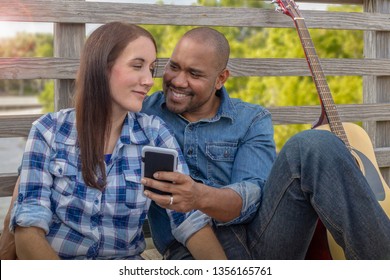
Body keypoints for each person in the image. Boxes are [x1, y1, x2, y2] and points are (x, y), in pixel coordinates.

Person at [140, 27, 390, 260]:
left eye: (194, 74)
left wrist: (199, 196)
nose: (178, 81)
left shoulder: (251, 118)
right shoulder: (142, 113)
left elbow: (253, 195)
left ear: (220, 79)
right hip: (188, 250)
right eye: (174, 67)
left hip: (261, 239)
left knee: (315, 144)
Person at [0, 22, 226, 260]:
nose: (149, 80)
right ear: (102, 67)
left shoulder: (155, 134)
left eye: (151, 69)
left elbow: (189, 221)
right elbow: (28, 231)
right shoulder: (48, 131)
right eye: (137, 66)